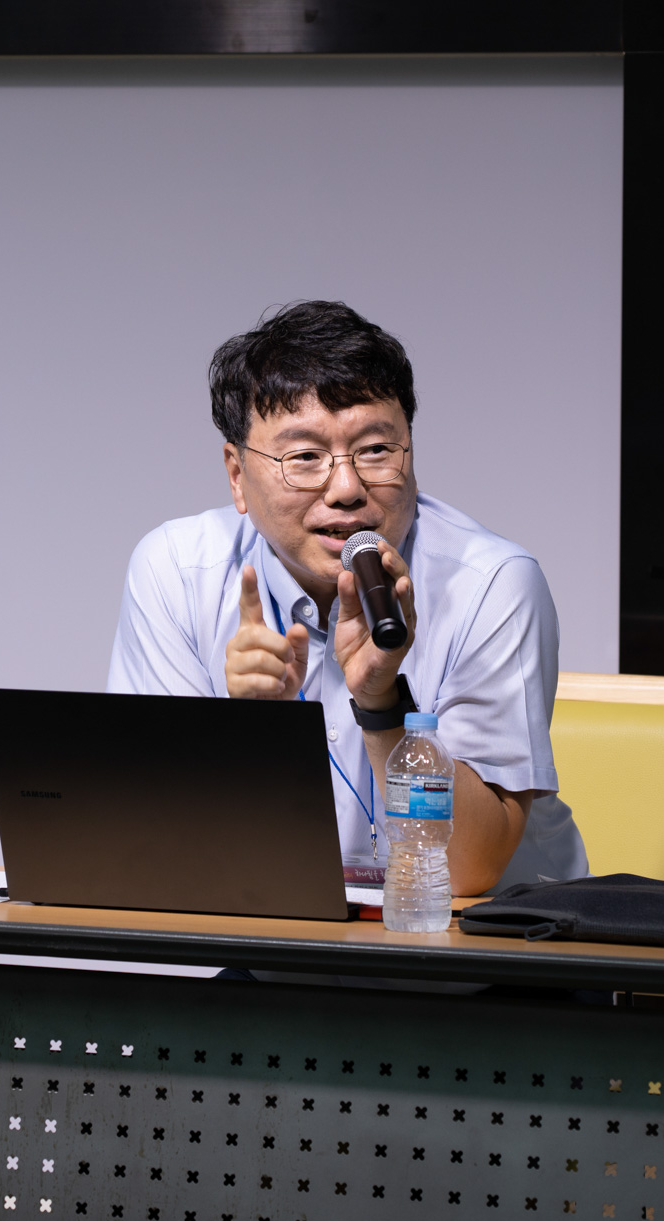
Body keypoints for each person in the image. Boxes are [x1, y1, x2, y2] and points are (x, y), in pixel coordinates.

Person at [107, 300, 585, 896]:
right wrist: (243, 732)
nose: (346, 488)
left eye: (376, 450)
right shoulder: (178, 573)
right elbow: (149, 840)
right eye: (305, 457)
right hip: (284, 938)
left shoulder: (492, 584)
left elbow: (467, 871)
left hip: (484, 944)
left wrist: (382, 703)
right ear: (236, 474)